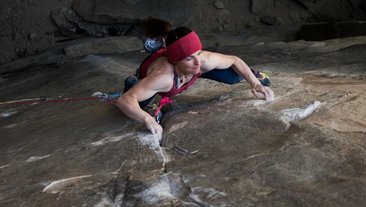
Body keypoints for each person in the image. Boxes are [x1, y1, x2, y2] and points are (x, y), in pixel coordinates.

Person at [114, 25, 274, 140]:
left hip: (183, 71)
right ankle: (133, 81)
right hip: (154, 73)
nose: (198, 62)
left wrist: (254, 83)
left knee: (234, 76)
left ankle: (253, 74)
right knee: (138, 107)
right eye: (190, 57)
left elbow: (234, 60)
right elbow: (124, 100)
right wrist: (147, 120)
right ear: (176, 60)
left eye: (198, 53)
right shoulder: (163, 77)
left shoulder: (202, 61)